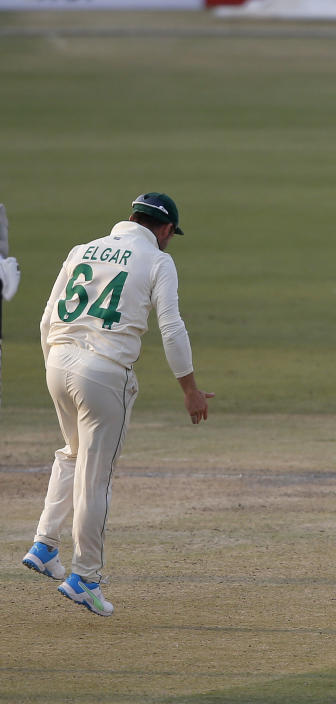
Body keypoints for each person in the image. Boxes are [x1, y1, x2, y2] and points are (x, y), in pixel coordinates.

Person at [21, 192, 214, 616]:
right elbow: (171, 326)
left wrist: (56, 366)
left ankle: (44, 544)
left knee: (71, 454)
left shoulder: (82, 249)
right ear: (164, 230)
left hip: (58, 359)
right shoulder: (159, 261)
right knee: (96, 477)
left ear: (131, 218)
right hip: (105, 372)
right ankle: (84, 577)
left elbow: (45, 318)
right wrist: (190, 389)